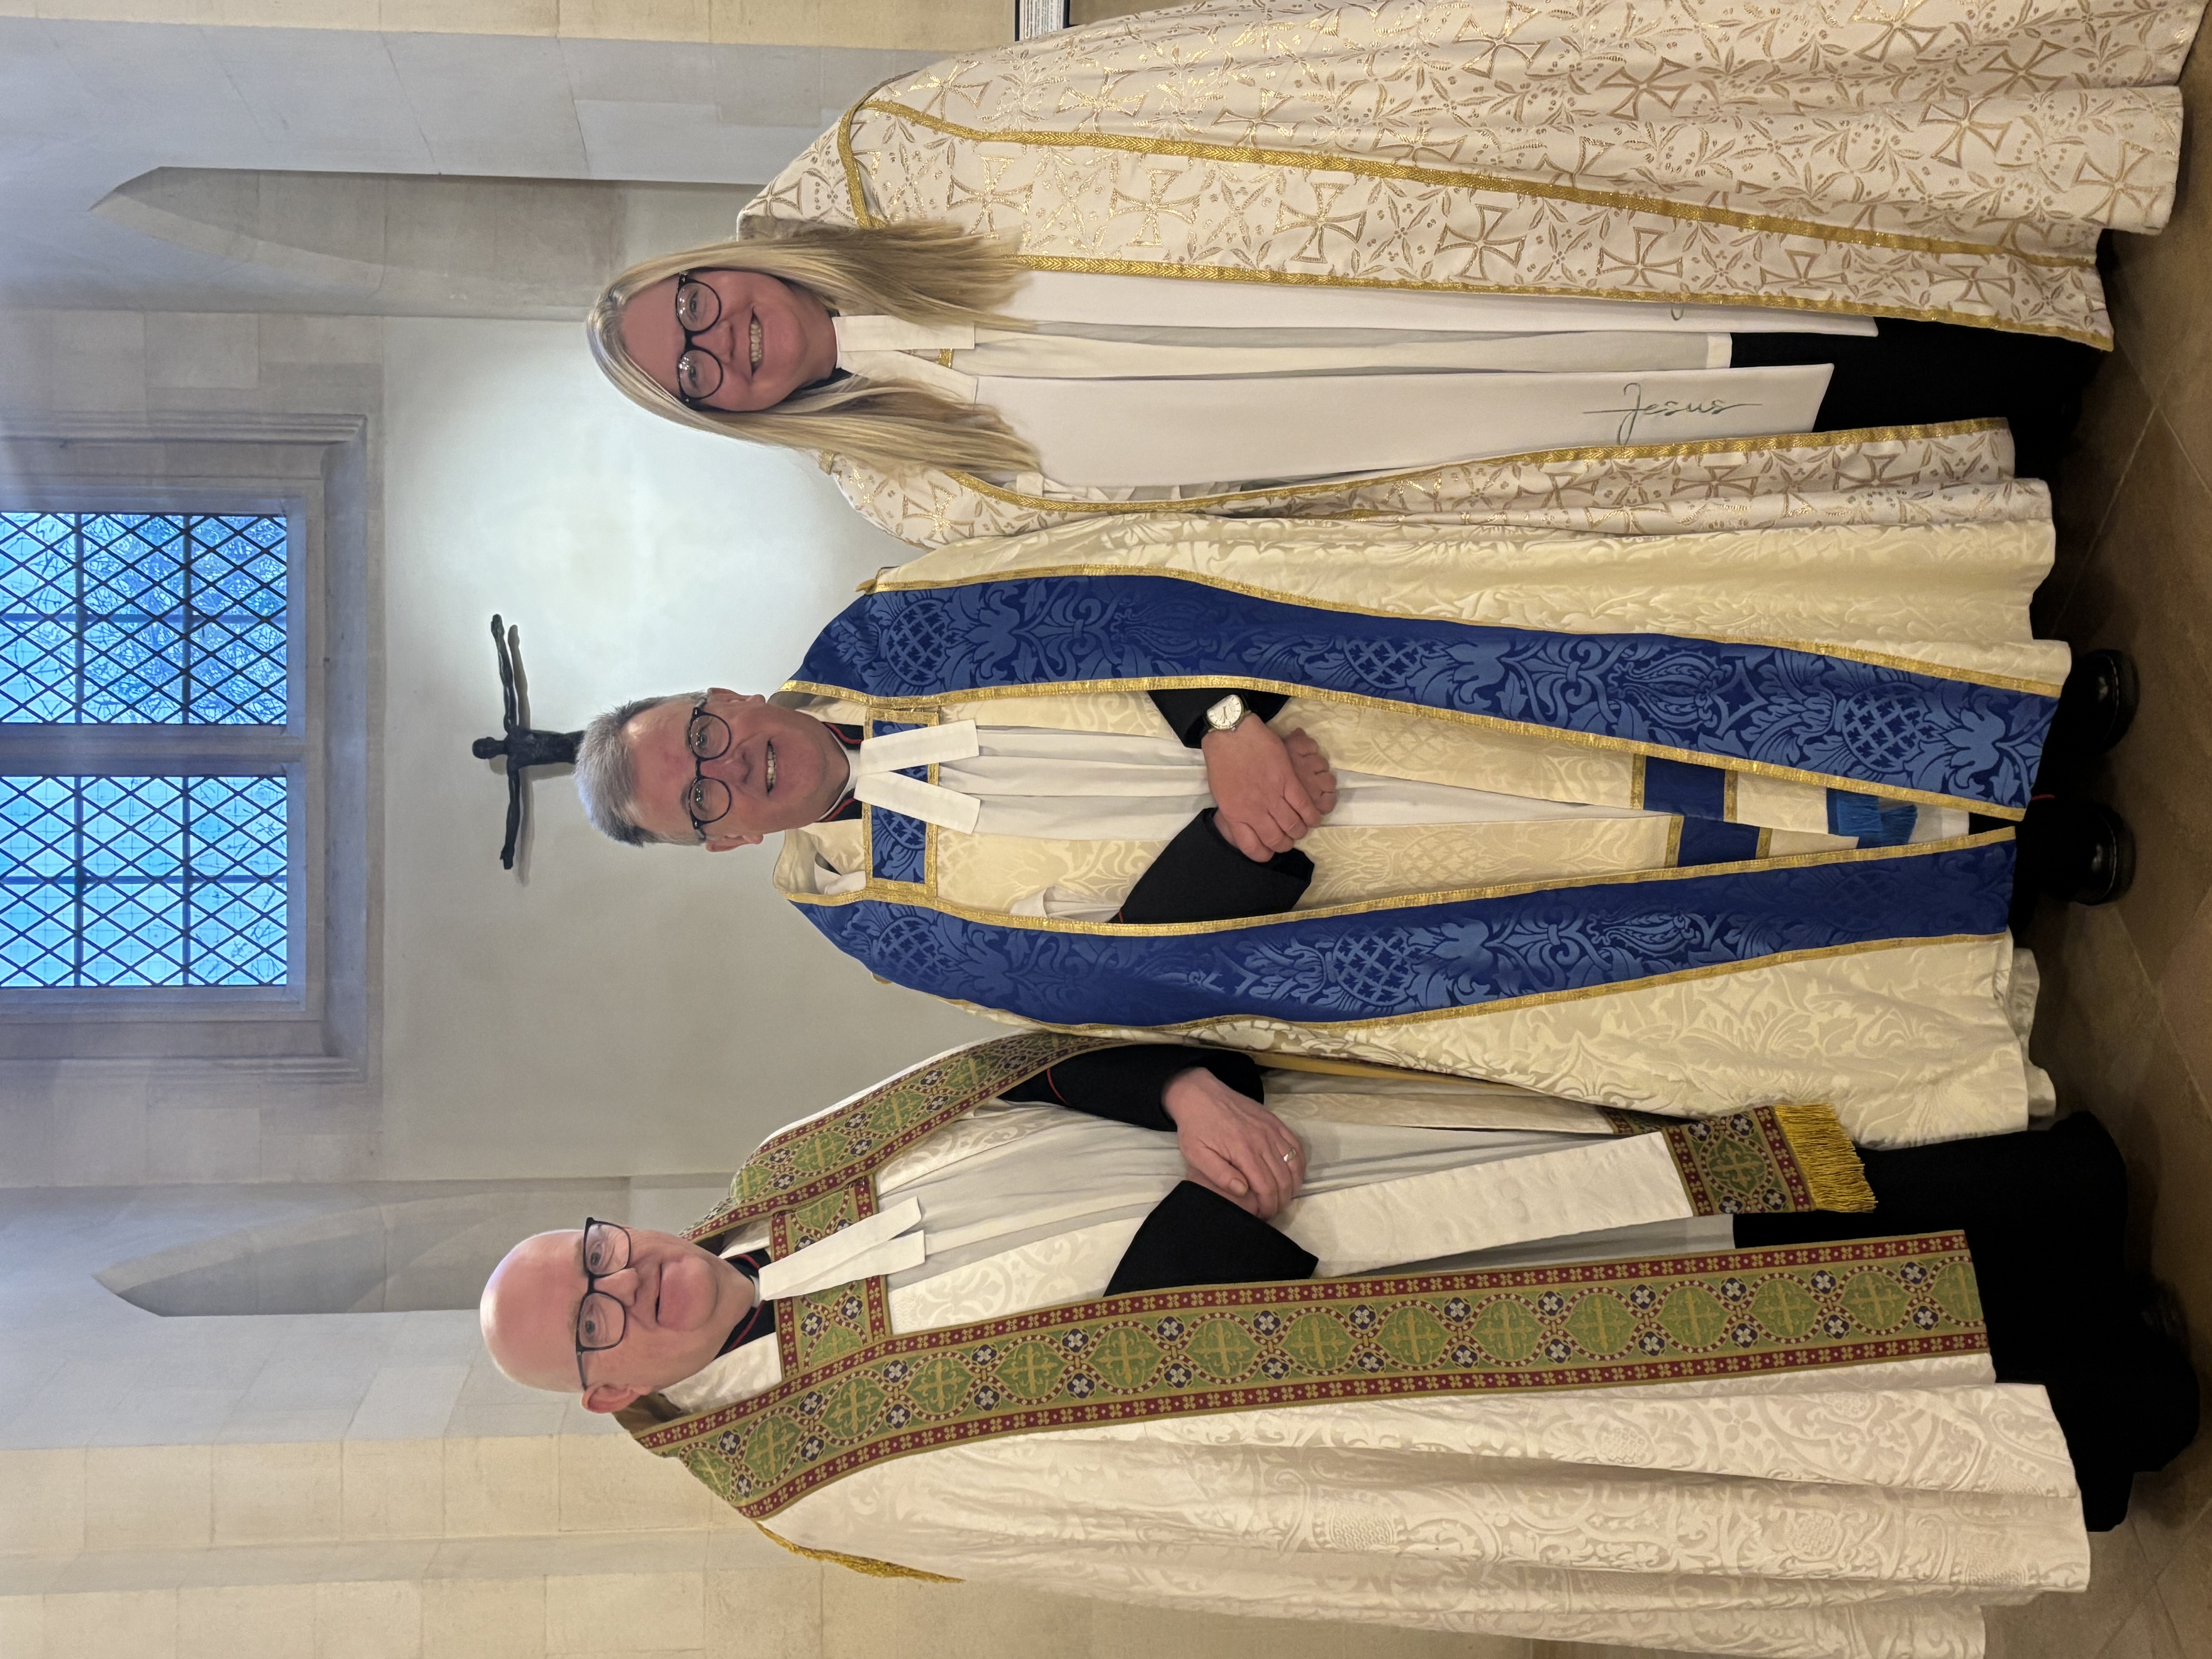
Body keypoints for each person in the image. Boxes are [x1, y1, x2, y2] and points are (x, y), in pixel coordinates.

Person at [571, 460, 2137, 1146]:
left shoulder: (885, 629)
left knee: (1641, 707)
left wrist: (1229, 726)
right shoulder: (874, 925)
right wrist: (1238, 861)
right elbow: (1112, 988)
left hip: (1337, 691)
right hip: (1359, 891)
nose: (725, 769)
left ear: (721, 692)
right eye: (698, 802)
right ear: (720, 845)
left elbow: (1110, 587)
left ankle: (2015, 727)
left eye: (699, 736)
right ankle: (2004, 863)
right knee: (1650, 876)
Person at [478, 1035, 2199, 1656]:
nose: (635, 1283)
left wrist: (1179, 1087)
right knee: (1709, 1355)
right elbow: (1101, 1464)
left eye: (600, 1253)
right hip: (1338, 1360)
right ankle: (2094, 1389)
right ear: (610, 1390)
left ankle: (2050, 1225)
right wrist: (1215, 1224)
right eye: (598, 1321)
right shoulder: (800, 1474)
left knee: (1671, 1199)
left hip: (1335, 1165)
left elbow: (1012, 1073)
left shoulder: (782, 1175)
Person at [582, 0, 2202, 546]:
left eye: (693, 305)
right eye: (696, 373)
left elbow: (1155, 87)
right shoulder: (910, 491)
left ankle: (2030, 220)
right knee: (1676, 413)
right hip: (1387, 442)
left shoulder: (892, 155)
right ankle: (2028, 381)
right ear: (725, 416)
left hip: (1393, 223)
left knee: (1707, 262)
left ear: (719, 260)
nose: (723, 339)